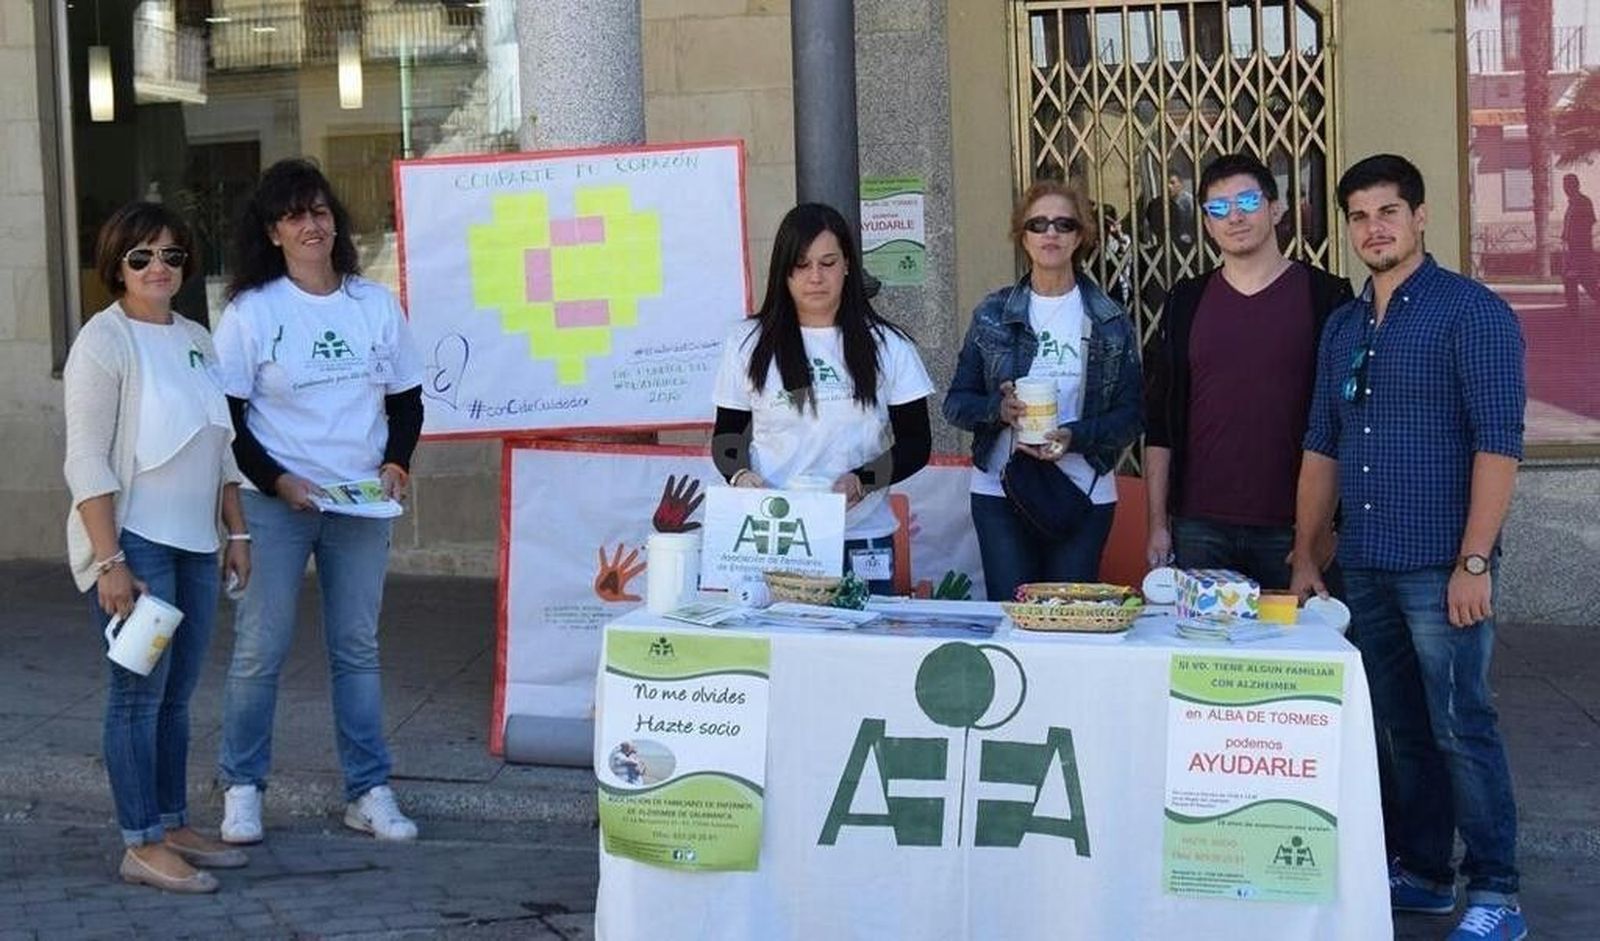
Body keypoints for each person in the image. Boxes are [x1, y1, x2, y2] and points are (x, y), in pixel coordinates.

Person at [1291, 154, 1528, 941]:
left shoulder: (1471, 312)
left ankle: (1496, 890)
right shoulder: (1344, 324)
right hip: (1365, 564)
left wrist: (1473, 561)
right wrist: (1304, 553)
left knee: (1463, 722)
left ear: (1420, 216)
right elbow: (1323, 443)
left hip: (1441, 566)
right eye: (1359, 216)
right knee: (1398, 726)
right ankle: (1424, 872)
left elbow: (1499, 443)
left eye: (1388, 211)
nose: (1374, 228)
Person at [212, 159, 425, 843]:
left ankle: (368, 789)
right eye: (296, 215)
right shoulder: (253, 312)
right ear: (273, 232)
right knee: (259, 647)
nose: (313, 225)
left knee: (356, 649)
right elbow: (229, 418)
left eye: (321, 211)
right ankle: (242, 787)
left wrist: (396, 461)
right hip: (276, 502)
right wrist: (277, 482)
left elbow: (406, 399)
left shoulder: (373, 304)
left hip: (359, 504)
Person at [62, 202, 252, 893]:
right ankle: (139, 840)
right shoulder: (103, 342)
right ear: (117, 264)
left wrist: (236, 529)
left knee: (177, 696)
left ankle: (172, 822)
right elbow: (85, 459)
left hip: (197, 546)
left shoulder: (197, 336)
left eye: (171, 255)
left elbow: (219, 441)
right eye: (142, 256)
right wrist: (110, 561)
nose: (158, 268)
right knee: (137, 697)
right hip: (138, 548)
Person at [1144, 153, 1353, 589]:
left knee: (1296, 654)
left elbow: (1345, 420)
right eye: (1217, 208)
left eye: (1247, 202)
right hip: (1199, 525)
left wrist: (1326, 527)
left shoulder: (1326, 296)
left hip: (1293, 528)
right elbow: (1159, 424)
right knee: (1202, 656)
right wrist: (1158, 523)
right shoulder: (1185, 301)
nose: (1233, 216)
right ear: (1206, 223)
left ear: (1275, 209)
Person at [711, 203, 933, 593]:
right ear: (783, 271)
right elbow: (727, 437)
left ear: (847, 264)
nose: (815, 277)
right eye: (801, 264)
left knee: (859, 652)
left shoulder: (890, 346)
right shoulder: (746, 343)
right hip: (773, 539)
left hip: (861, 536)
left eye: (828, 263)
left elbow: (917, 443)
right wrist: (740, 476)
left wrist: (861, 481)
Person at [943, 179, 1144, 601]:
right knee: (1011, 611)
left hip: (1082, 489)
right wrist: (998, 410)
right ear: (1023, 236)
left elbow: (1132, 415)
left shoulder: (1109, 320)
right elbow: (956, 404)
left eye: (1063, 224)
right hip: (1001, 488)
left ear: (1080, 236)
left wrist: (1076, 436)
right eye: (1038, 224)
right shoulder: (993, 314)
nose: (1050, 233)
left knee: (1066, 619)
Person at [1561, 172, 1599, 314]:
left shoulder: (1583, 202)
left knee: (1586, 281)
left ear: (1576, 185)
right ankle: (1572, 310)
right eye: (1565, 185)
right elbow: (1571, 224)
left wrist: (1576, 240)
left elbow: (1588, 223)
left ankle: (1574, 309)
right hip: (1573, 249)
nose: (1566, 188)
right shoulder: (1572, 203)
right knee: (1570, 279)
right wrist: (1565, 234)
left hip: (1581, 249)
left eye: (1569, 185)